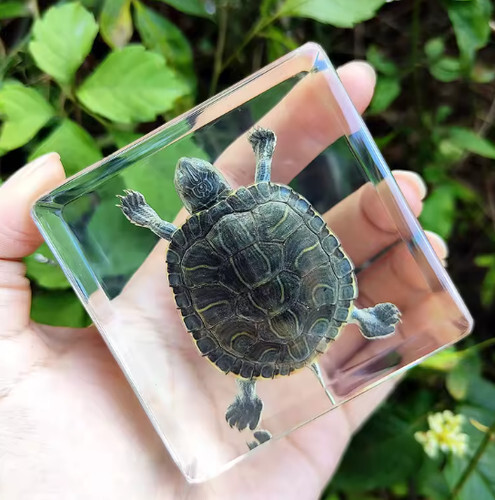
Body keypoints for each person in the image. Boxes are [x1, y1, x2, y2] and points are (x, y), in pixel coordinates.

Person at [0, 61, 447, 499]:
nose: (188, 173)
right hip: (317, 304)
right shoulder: (261, 199)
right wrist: (264, 152)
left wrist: (147, 217)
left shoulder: (188, 244)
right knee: (327, 302)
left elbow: (170, 233)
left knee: (248, 339)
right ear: (217, 180)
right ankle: (360, 318)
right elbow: (261, 181)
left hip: (252, 343)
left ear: (188, 198)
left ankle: (250, 391)